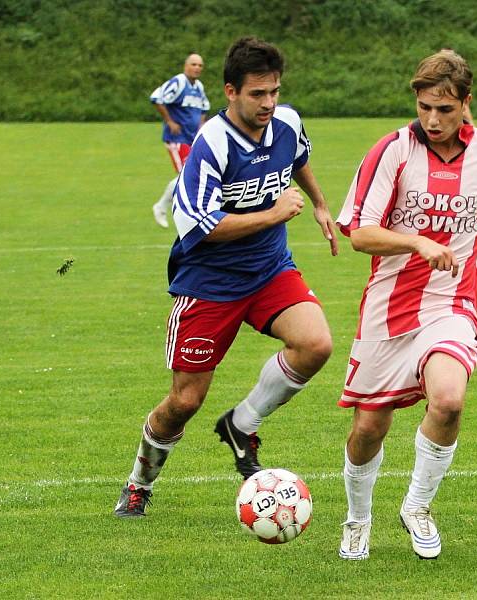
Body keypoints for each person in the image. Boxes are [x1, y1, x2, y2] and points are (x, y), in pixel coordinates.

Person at [114, 36, 338, 518]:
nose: (269, 103)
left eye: (275, 91)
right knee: (184, 401)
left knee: (315, 343)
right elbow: (202, 226)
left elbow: (298, 159)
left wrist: (319, 204)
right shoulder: (211, 143)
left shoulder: (287, 122)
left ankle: (242, 424)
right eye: (258, 94)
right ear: (230, 91)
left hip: (269, 269)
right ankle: (139, 482)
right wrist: (275, 212)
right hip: (209, 284)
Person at [335, 50, 477, 560]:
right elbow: (360, 234)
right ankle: (358, 519)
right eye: (425, 107)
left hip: (453, 306)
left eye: (445, 109)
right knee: (368, 429)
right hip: (388, 309)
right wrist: (416, 242)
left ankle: (417, 505)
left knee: (448, 400)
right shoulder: (391, 152)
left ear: (467, 103)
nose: (434, 119)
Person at [149, 53, 210, 228]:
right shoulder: (178, 82)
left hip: (190, 139)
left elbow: (204, 107)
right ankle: (162, 207)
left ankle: (178, 210)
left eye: (200, 65)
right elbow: (156, 98)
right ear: (186, 66)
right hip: (176, 139)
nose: (197, 68)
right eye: (193, 64)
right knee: (187, 175)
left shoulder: (198, 87)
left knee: (192, 175)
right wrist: (170, 121)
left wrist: (200, 127)